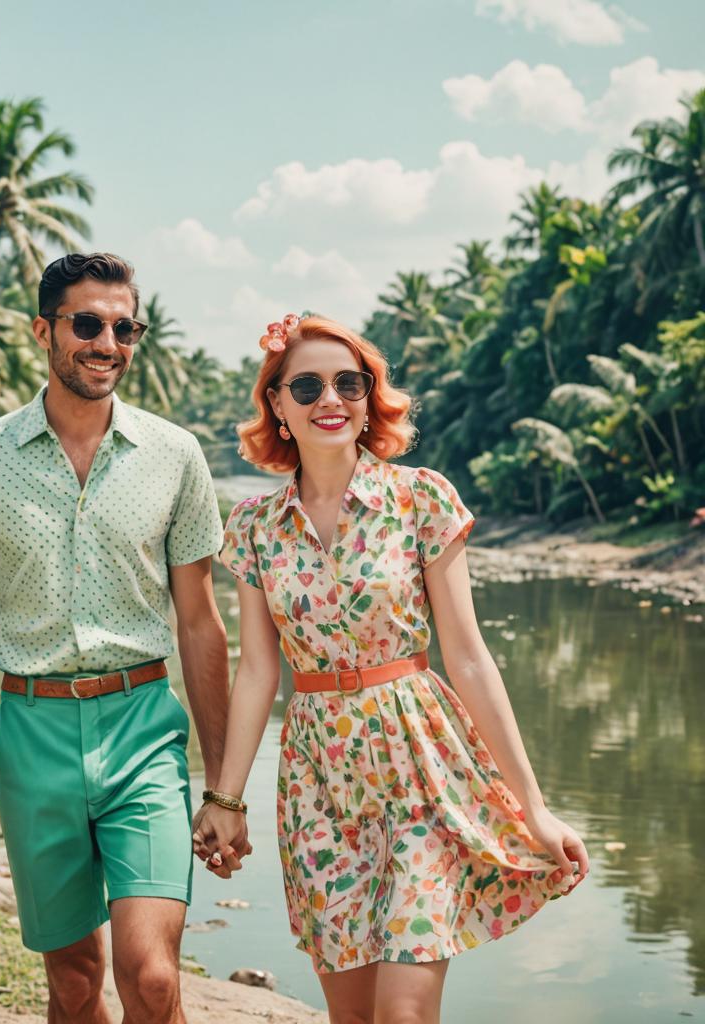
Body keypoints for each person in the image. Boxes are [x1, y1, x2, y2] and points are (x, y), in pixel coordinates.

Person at [193, 314, 589, 1024]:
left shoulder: (420, 499)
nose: (330, 398)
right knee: (353, 1017)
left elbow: (468, 655)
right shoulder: (254, 526)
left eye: (350, 382)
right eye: (307, 385)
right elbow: (256, 672)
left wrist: (533, 806)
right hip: (317, 780)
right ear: (277, 406)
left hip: (421, 768)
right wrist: (225, 800)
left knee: (404, 1014)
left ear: (370, 397)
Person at [0, 252, 247, 1024]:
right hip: (31, 732)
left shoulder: (175, 456)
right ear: (45, 331)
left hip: (143, 725)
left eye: (123, 326)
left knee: (154, 978)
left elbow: (201, 622)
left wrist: (223, 789)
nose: (107, 342)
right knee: (73, 983)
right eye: (87, 324)